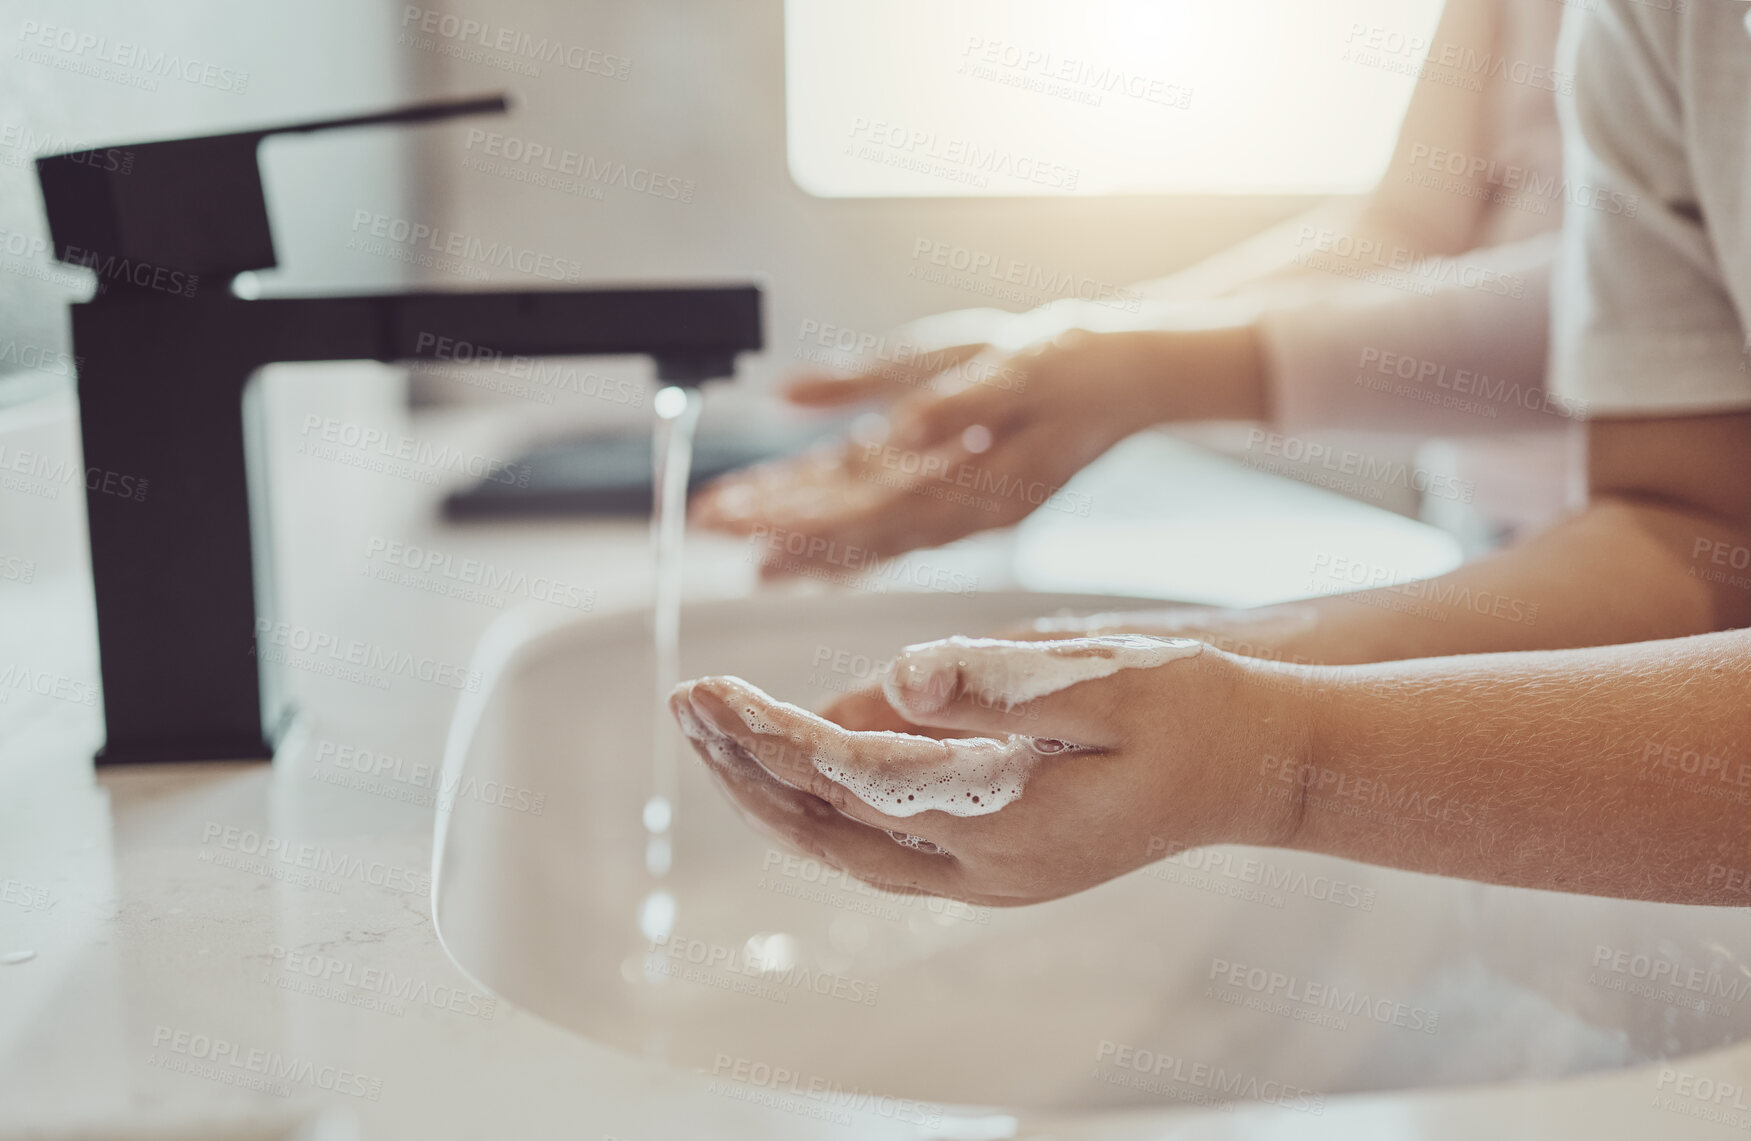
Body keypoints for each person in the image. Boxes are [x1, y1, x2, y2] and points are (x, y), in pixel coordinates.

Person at [673, 0, 1751, 909]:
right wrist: (1090, 356)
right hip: (1566, 582)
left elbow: (1604, 297)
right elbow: (1417, 233)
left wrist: (1274, 754)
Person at [694, 0, 1573, 570]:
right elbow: (1408, 229)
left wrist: (1138, 372)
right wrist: (1067, 346)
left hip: (1655, 576)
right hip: (1486, 538)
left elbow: (1648, 308)